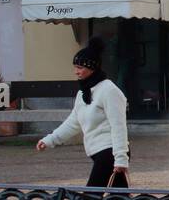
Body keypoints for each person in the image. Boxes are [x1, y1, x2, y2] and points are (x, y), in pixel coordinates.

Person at [36, 36, 131, 187]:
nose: (76, 72)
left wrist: (121, 158)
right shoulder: (83, 93)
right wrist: (50, 140)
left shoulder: (109, 90)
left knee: (90, 199)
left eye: (80, 68)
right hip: (97, 153)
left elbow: (118, 125)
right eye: (75, 67)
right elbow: (73, 122)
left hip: (109, 153)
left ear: (92, 67)